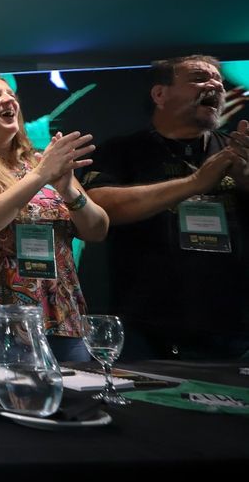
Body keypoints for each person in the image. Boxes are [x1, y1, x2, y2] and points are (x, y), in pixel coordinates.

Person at [0, 73, 110, 364]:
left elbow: (97, 230)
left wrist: (68, 191)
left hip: (61, 320)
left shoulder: (43, 163)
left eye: (11, 95)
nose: (8, 99)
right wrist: (39, 177)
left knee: (74, 393)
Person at [83, 55, 249, 359]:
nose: (215, 85)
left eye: (219, 81)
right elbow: (100, 207)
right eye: (199, 78)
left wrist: (246, 181)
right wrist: (194, 183)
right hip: (143, 325)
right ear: (160, 94)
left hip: (232, 328)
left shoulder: (237, 152)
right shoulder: (122, 150)